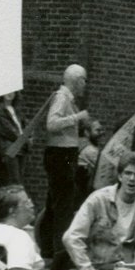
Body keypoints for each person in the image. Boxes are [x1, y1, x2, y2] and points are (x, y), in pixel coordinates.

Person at [62, 151, 135, 270]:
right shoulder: (98, 200)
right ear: (120, 176)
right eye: (128, 173)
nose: (132, 179)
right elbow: (71, 237)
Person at [42, 64, 90, 258]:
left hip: (63, 154)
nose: (85, 84)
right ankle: (60, 254)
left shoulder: (65, 98)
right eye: (84, 80)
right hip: (61, 155)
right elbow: (51, 124)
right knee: (64, 205)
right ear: (76, 80)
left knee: (55, 202)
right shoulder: (62, 98)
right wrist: (77, 117)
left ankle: (48, 249)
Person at [0, 91, 29, 186]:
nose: (10, 93)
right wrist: (24, 139)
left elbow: (25, 125)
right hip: (10, 148)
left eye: (13, 92)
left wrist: (29, 137)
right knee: (14, 181)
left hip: (20, 148)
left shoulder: (16, 111)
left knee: (19, 180)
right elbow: (7, 130)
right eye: (7, 91)